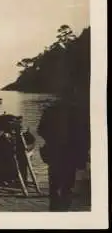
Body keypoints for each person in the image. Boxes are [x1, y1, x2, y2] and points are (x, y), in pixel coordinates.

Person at [38, 81, 90, 211]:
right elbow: (86, 135)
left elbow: (41, 130)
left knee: (54, 183)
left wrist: (51, 139)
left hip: (55, 151)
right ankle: (64, 209)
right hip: (71, 152)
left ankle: (55, 208)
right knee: (68, 184)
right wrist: (84, 154)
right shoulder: (81, 112)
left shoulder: (50, 110)